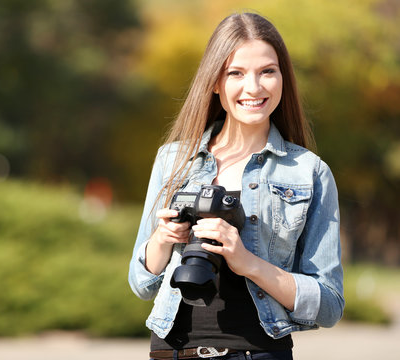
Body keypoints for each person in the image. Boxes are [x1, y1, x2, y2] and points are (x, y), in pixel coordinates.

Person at [128, 12, 344, 360]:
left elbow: (329, 303)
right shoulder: (173, 160)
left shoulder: (308, 172)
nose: (254, 88)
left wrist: (247, 262)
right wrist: (163, 239)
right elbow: (141, 282)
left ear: (283, 78)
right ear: (214, 81)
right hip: (172, 351)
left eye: (267, 72)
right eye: (236, 73)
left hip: (258, 352)